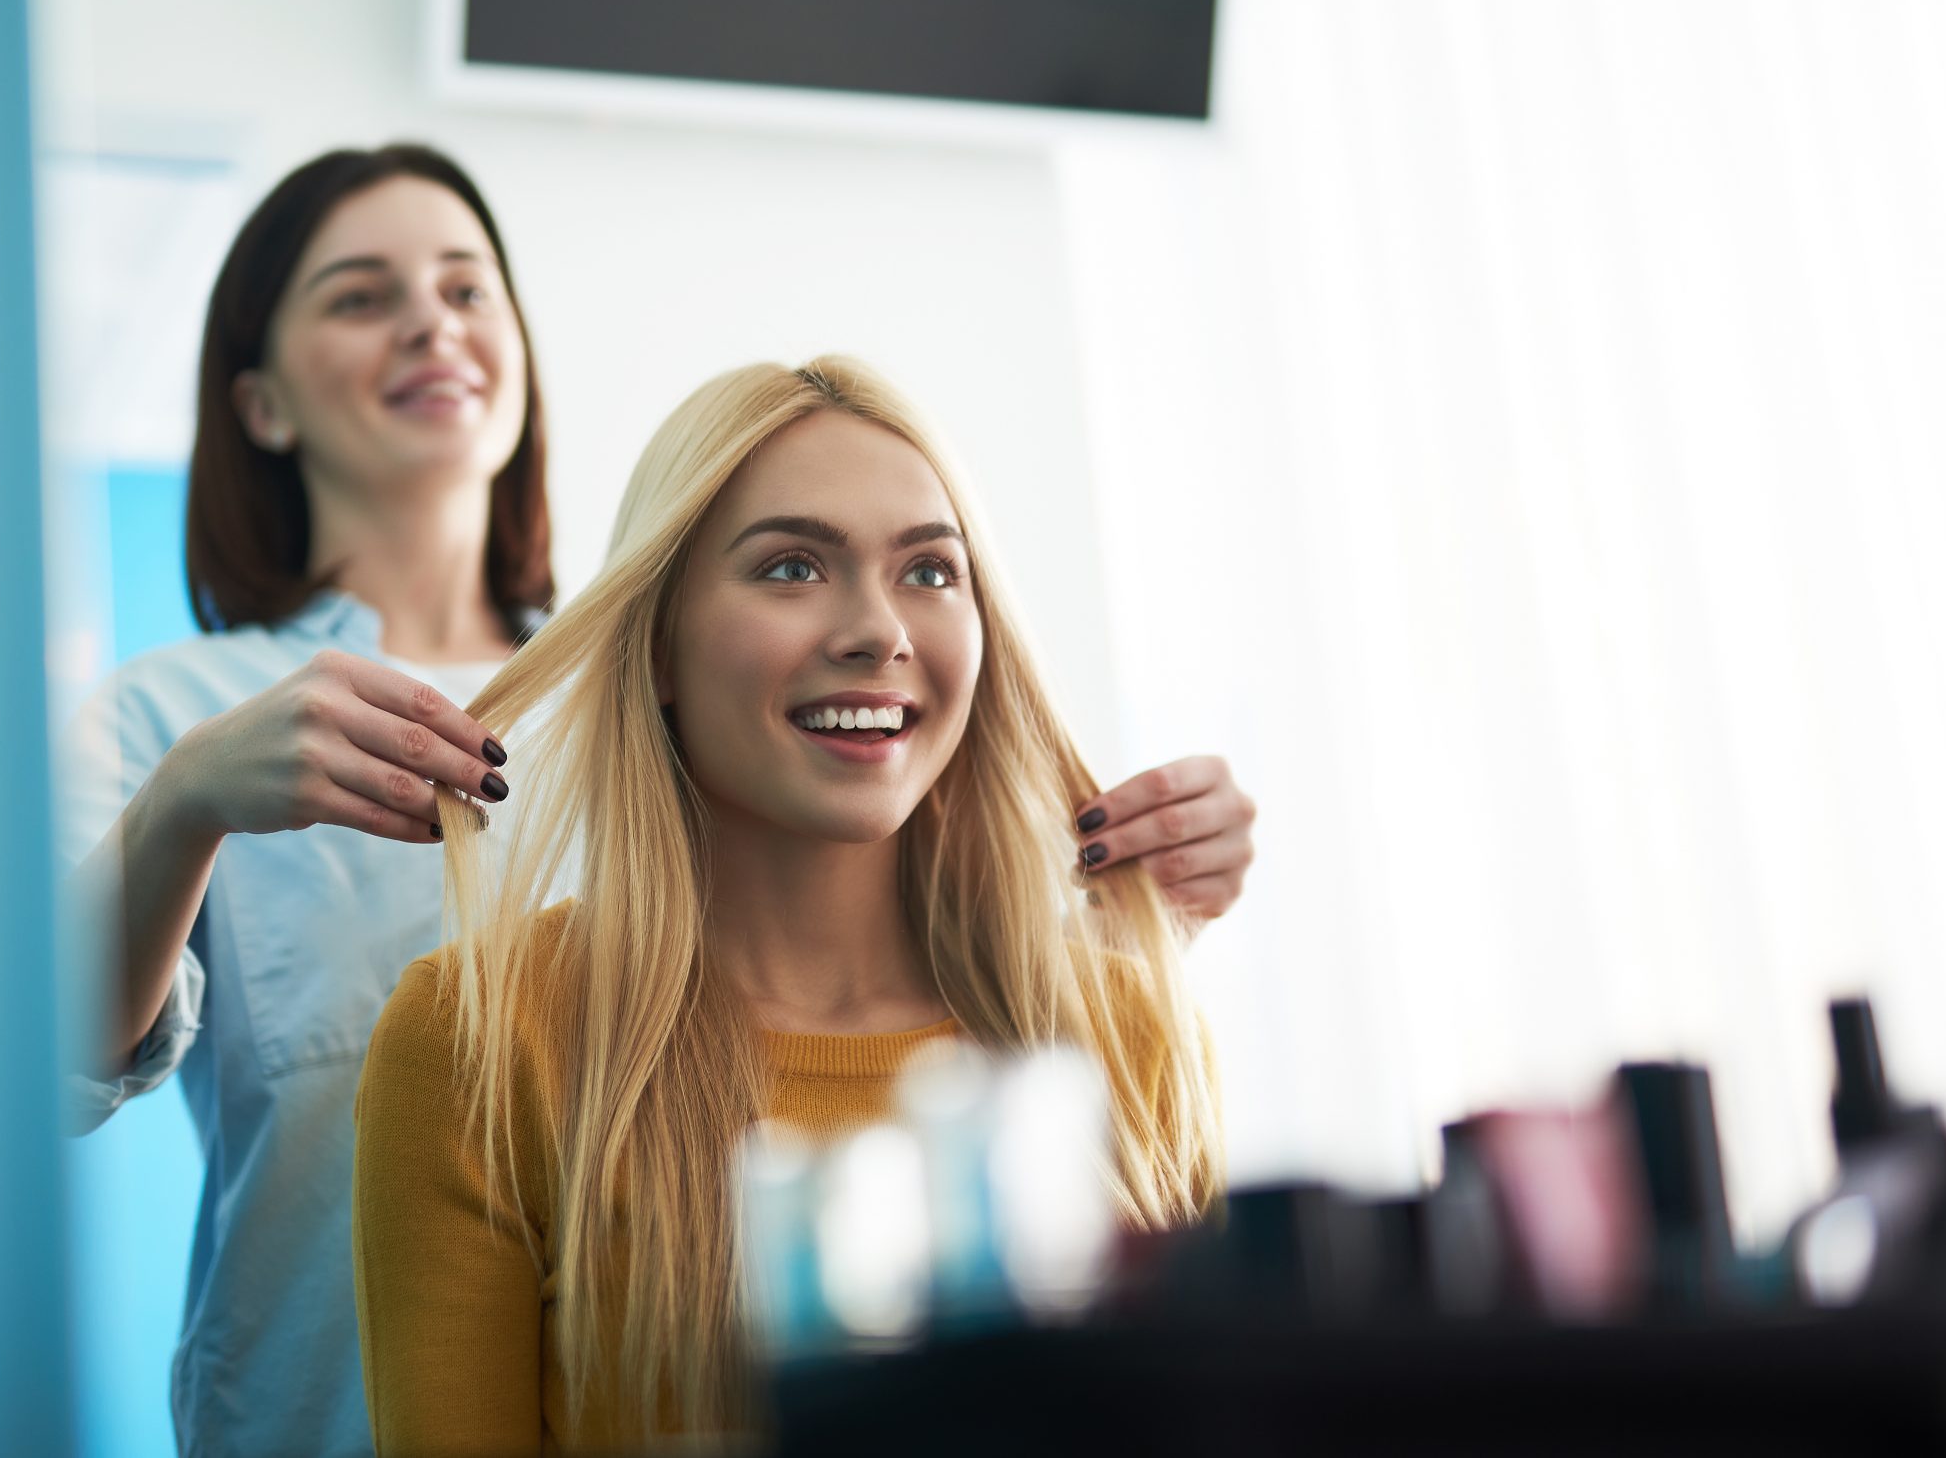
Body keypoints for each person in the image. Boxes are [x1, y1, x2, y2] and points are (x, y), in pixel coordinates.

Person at [61, 146, 1255, 1458]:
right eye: (362, 295)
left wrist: (1133, 924)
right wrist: (186, 806)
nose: (430, 323)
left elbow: (867, 932)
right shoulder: (178, 721)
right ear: (261, 402)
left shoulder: (669, 668)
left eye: (469, 289)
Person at [352, 356, 1227, 1455]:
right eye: (793, 566)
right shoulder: (475, 1041)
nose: (878, 629)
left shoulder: (1132, 1033)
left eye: (930, 571)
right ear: (659, 642)